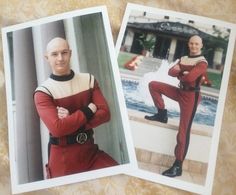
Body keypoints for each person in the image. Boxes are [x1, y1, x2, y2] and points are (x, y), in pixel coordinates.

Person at [34, 37, 118, 178]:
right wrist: (88, 110)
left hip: (90, 152)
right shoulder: (43, 92)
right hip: (63, 159)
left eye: (64, 52)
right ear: (47, 57)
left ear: (70, 53)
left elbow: (105, 113)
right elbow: (58, 128)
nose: (60, 58)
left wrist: (71, 120)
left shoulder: (88, 80)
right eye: (55, 54)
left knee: (121, 178)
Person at [144, 35, 208, 177]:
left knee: (183, 132)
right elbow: (170, 71)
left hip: (191, 97)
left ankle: (178, 166)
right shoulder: (184, 58)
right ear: (188, 44)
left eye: (197, 44)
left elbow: (190, 78)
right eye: (191, 43)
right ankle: (162, 114)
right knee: (153, 85)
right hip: (180, 91)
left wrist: (180, 72)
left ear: (201, 45)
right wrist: (182, 72)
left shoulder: (202, 62)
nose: (193, 46)